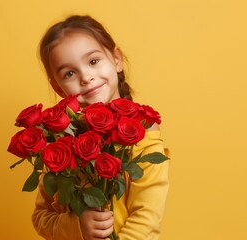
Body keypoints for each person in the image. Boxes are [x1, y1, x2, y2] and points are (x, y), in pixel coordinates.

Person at [31, 15, 170, 240]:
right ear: (57, 87)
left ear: (116, 59)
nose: (86, 77)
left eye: (93, 61)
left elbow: (147, 217)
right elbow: (40, 217)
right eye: (69, 73)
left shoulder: (144, 133)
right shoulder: (60, 144)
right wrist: (77, 226)